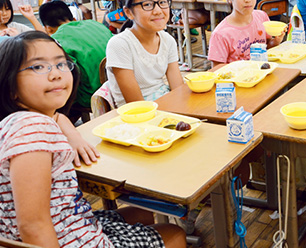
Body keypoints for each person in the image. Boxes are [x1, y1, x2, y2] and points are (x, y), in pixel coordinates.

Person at [0, 31, 186, 247]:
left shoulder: (25, 120)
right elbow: (33, 225)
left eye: (61, 64)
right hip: (64, 237)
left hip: (72, 222)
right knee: (175, 235)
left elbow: (57, 117)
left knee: (140, 214)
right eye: (38, 67)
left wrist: (73, 136)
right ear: (10, 85)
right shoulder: (32, 129)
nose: (56, 74)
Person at [106, 0, 183, 107]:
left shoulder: (167, 40)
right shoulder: (120, 44)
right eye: (147, 4)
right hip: (136, 115)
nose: (158, 11)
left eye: (163, 2)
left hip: (164, 101)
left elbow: (178, 90)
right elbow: (137, 105)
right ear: (129, 12)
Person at [39, 0, 113, 122]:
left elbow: (71, 73)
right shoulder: (95, 24)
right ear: (73, 18)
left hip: (92, 95)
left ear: (48, 29)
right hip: (116, 84)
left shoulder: (58, 39)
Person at [208, 0, 285, 65]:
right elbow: (217, 69)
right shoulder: (221, 34)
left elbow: (267, 48)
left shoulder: (261, 17)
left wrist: (275, 42)